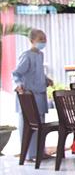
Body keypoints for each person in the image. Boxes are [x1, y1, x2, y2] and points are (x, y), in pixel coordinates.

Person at [12, 29, 52, 162]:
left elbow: (38, 73)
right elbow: (16, 73)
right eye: (40, 39)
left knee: (40, 124)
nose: (43, 41)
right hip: (28, 96)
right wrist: (18, 84)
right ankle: (29, 154)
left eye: (44, 39)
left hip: (40, 95)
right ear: (32, 41)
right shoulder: (26, 55)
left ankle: (40, 152)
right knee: (28, 124)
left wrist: (46, 80)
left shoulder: (40, 55)